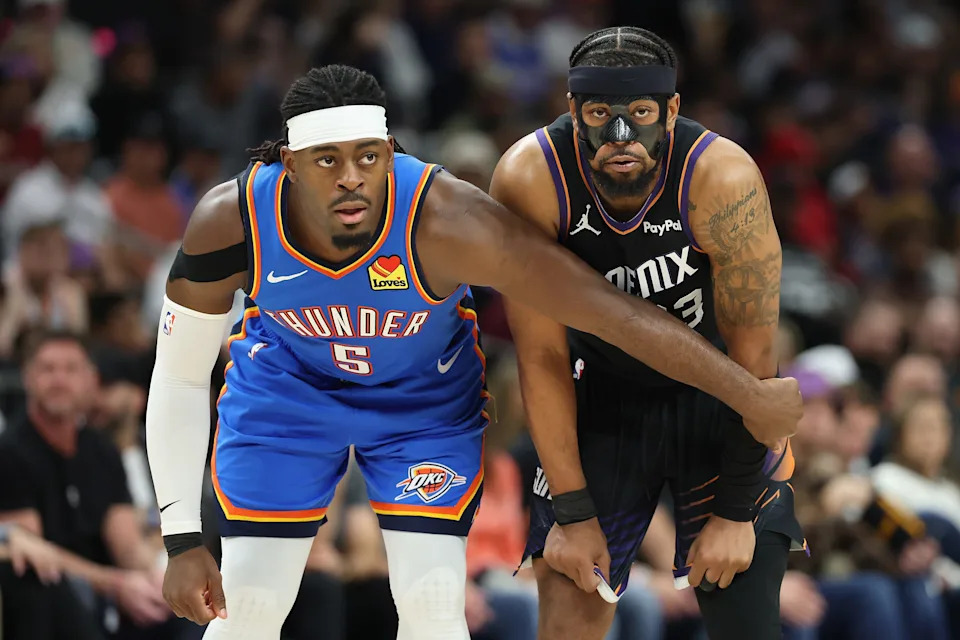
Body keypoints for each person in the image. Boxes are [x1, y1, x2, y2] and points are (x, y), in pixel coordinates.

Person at [146, 64, 802, 640]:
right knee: (251, 604)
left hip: (420, 407)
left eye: (369, 157)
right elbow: (177, 377)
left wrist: (746, 393)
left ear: (390, 151)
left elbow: (611, 313)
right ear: (288, 165)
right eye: (327, 161)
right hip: (287, 396)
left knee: (433, 602)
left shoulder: (446, 219)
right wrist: (179, 538)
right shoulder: (229, 221)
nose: (352, 180)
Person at [490, 27, 805, 640]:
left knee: (746, 618)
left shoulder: (723, 178)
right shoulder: (530, 177)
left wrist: (737, 509)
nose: (620, 137)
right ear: (572, 110)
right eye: (600, 114)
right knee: (569, 613)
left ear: (672, 109)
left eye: (639, 113)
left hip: (722, 402)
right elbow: (542, 357)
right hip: (598, 399)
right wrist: (574, 511)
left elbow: (756, 370)